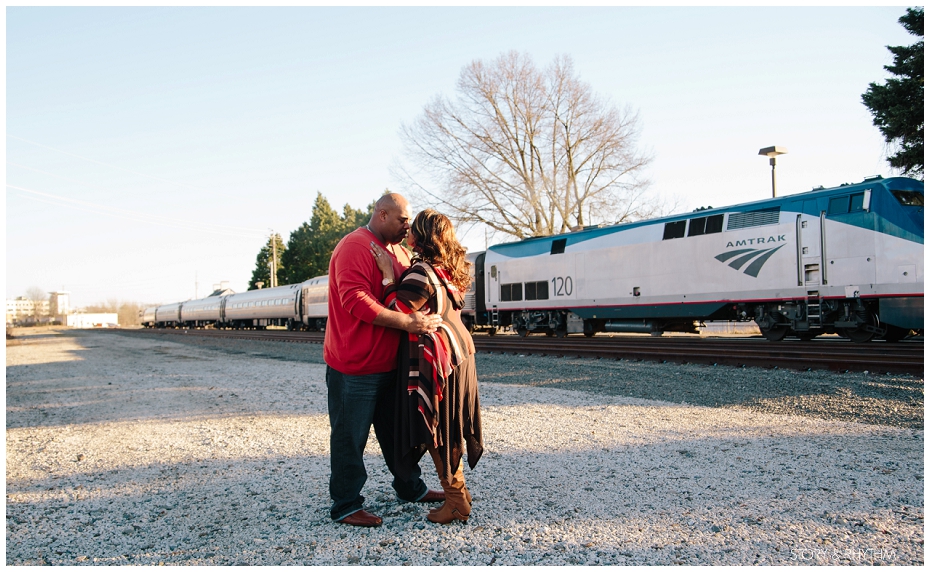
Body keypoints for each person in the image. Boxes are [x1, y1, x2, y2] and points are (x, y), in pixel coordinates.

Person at [324, 193, 446, 528]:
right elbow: (356, 301)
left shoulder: (400, 250)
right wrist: (408, 323)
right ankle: (346, 505)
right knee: (350, 437)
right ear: (381, 214)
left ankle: (411, 487)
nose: (408, 226)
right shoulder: (354, 246)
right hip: (354, 367)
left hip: (390, 365)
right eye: (402, 219)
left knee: (399, 435)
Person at [371, 209, 484, 524]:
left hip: (438, 359)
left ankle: (456, 499)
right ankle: (458, 491)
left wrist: (389, 277)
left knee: (435, 429)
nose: (406, 231)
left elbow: (399, 312)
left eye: (412, 228)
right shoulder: (449, 270)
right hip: (461, 353)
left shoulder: (422, 272)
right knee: (449, 426)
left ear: (420, 236)